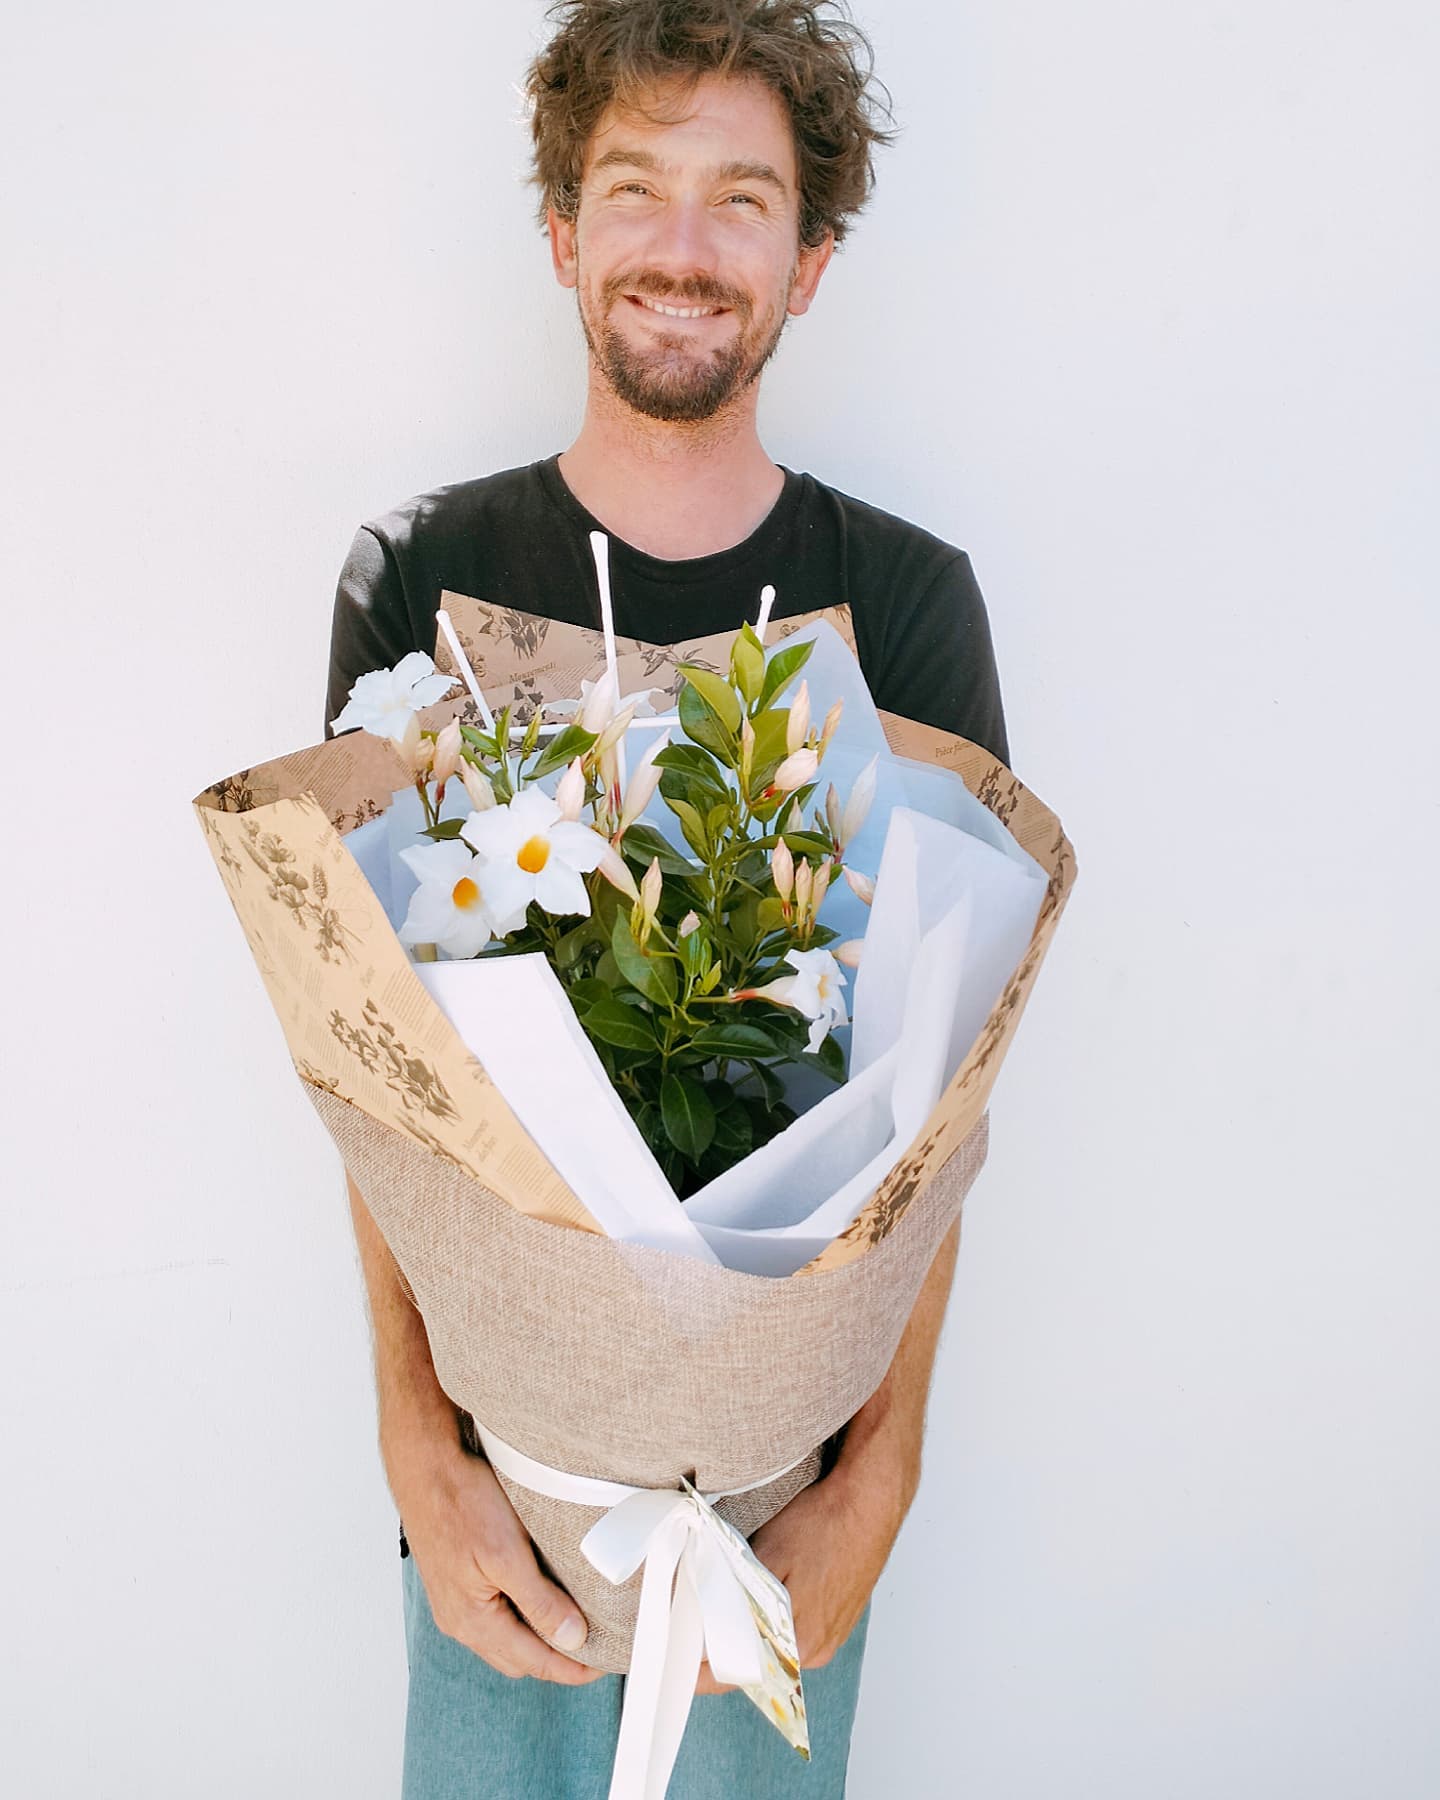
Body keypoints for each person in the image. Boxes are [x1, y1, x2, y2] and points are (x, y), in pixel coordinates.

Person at [326, 3, 1010, 1794]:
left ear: (810, 262)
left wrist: (882, 1483)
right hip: (501, 1500)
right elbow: (368, 1072)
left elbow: (949, 1105)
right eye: (635, 190)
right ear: (564, 233)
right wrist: (417, 1447)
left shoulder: (907, 602)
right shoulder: (427, 580)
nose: (683, 250)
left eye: (741, 199)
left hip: (781, 1510)